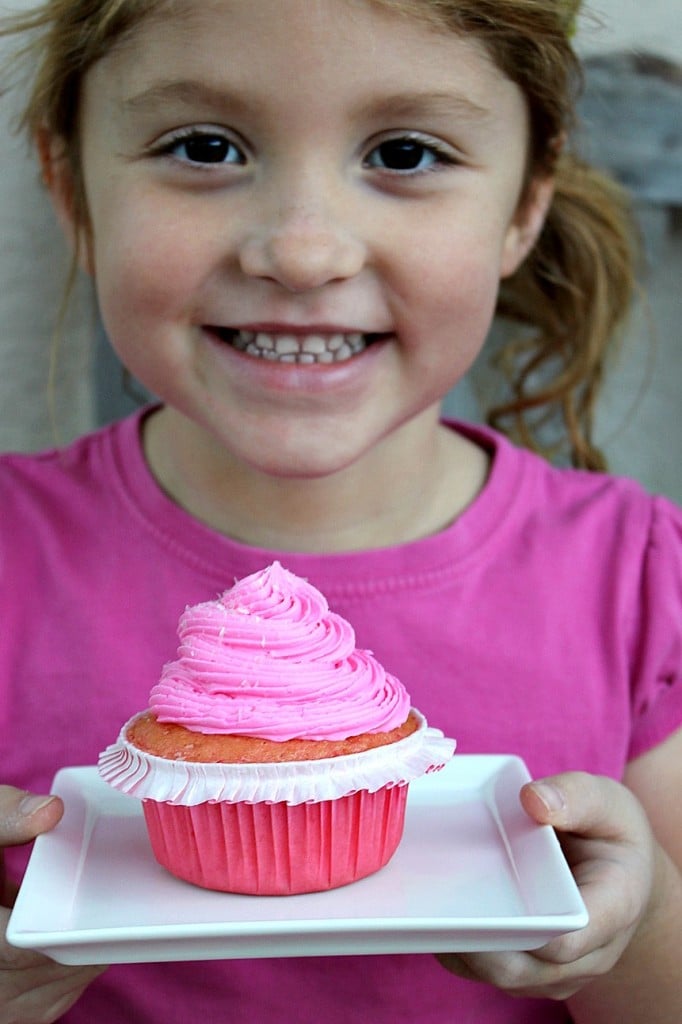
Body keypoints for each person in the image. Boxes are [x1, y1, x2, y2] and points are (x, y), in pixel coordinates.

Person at [0, 0, 680, 1021]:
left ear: (522, 208)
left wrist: (636, 924)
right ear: (73, 190)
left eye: (405, 151)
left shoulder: (633, 577)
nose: (304, 252)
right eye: (203, 146)